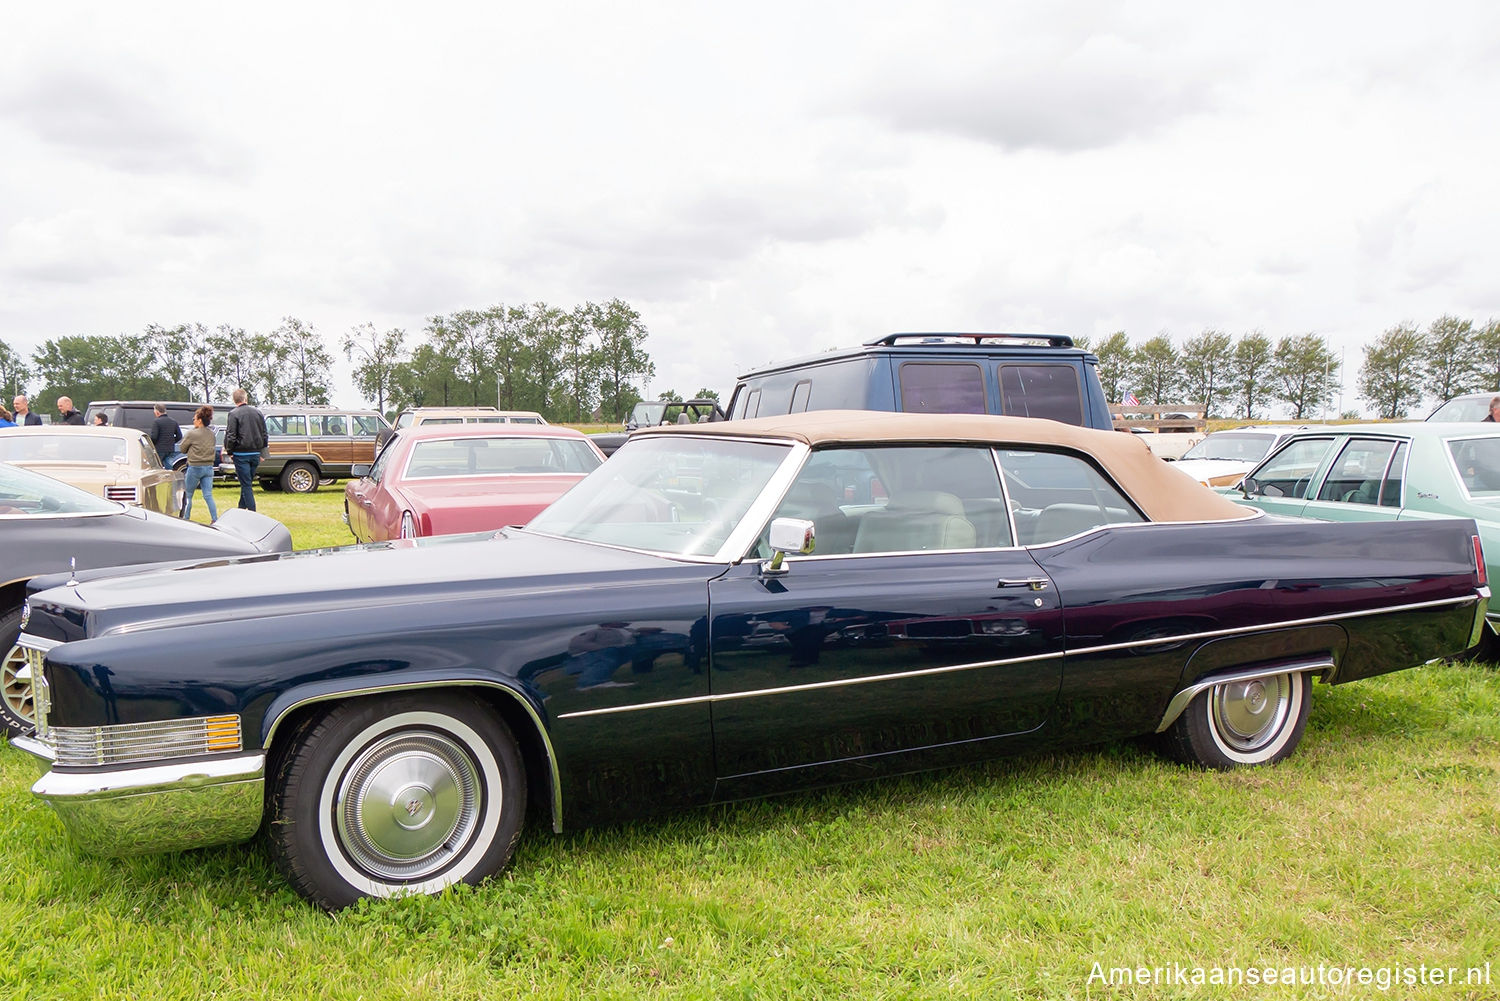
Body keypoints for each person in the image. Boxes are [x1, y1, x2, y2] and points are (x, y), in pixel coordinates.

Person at [223, 387, 268, 511]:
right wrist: (263, 452)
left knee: (246, 484)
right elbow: (264, 433)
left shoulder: (233, 414)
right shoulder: (258, 413)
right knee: (246, 483)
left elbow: (231, 435)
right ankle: (240, 509)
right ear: (245, 398)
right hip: (255, 453)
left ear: (234, 400)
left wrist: (230, 451)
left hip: (241, 453)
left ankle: (252, 512)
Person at [180, 405, 218, 522]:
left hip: (195, 467)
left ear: (200, 420)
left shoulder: (192, 433)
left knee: (188, 494)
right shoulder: (211, 434)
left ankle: (186, 518)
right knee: (208, 495)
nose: (193, 421)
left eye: (194, 419)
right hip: (208, 467)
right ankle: (214, 518)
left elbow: (182, 449)